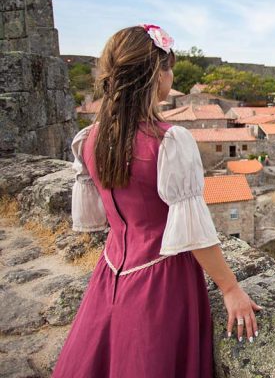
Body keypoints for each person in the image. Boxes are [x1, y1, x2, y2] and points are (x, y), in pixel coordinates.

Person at [52, 26, 263, 377]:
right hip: (163, 282)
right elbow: (194, 233)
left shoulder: (90, 139)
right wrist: (230, 287)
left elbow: (109, 216)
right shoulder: (168, 142)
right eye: (168, 67)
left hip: (111, 273)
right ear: (155, 74)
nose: (172, 75)